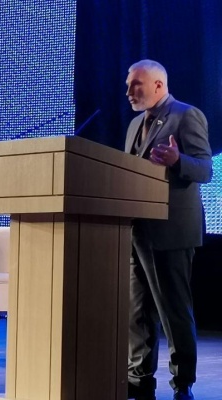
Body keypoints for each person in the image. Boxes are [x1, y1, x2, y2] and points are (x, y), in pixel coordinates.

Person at [124, 60, 212, 400]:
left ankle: (182, 382)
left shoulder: (186, 116)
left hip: (171, 229)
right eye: (128, 85)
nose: (129, 92)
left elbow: (205, 169)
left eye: (136, 85)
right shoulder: (134, 124)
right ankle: (139, 378)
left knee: (173, 310)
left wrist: (178, 161)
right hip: (136, 229)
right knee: (137, 312)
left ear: (158, 85)